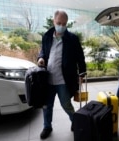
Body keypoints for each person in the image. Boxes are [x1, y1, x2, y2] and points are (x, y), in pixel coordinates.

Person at [37, 10, 86, 139]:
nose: (61, 26)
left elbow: (80, 58)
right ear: (54, 21)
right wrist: (41, 58)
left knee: (66, 105)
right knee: (47, 105)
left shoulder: (72, 39)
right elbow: (43, 51)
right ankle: (47, 126)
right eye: (59, 23)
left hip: (64, 79)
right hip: (48, 79)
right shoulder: (47, 36)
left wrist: (81, 74)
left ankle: (75, 122)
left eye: (64, 24)